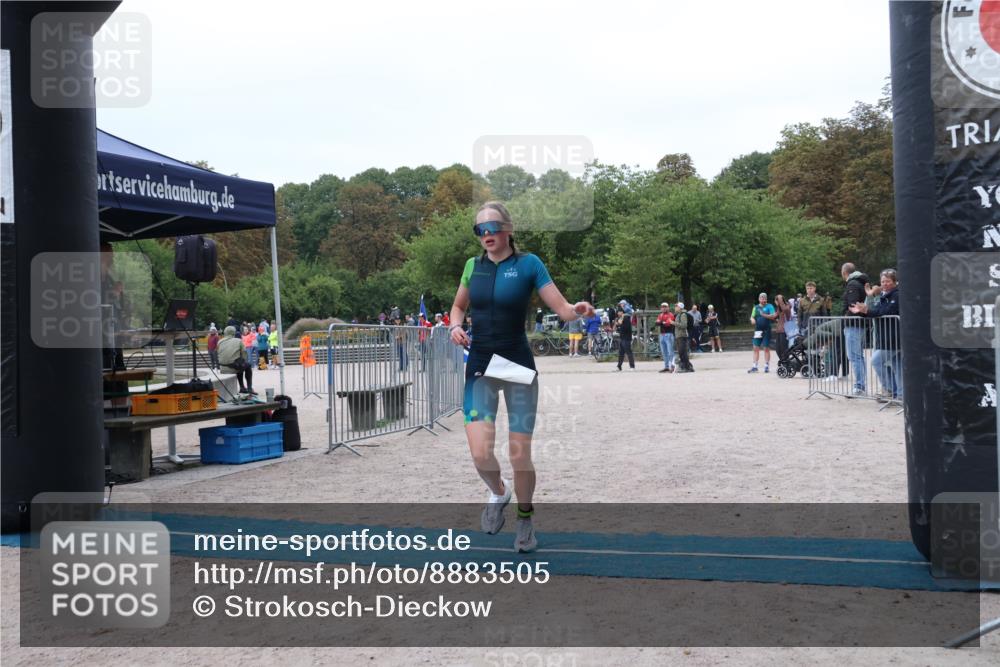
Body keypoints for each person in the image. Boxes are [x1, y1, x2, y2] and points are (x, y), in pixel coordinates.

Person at [449, 201, 593, 553]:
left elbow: (561, 308)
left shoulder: (529, 264)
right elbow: (458, 306)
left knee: (518, 455)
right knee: (480, 453)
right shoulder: (472, 267)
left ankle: (525, 520)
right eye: (479, 230)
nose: (487, 235)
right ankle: (499, 493)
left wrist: (577, 310)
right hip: (481, 365)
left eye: (493, 227)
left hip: (516, 366)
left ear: (509, 229)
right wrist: (454, 324)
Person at [850, 269, 902, 402]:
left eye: (888, 281)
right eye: (883, 281)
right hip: (887, 337)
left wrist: (866, 310)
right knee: (897, 365)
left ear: (895, 282)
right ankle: (899, 394)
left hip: (893, 337)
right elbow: (876, 310)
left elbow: (886, 311)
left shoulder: (897, 295)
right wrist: (864, 309)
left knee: (876, 360)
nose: (885, 284)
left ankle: (890, 390)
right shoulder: (885, 295)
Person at [841, 262, 871, 396]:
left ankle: (859, 386)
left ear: (844, 273)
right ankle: (860, 385)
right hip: (858, 324)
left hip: (853, 324)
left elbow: (853, 306)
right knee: (857, 356)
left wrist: (846, 315)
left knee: (854, 356)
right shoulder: (859, 282)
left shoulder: (852, 284)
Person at [218, 326, 254, 394]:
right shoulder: (238, 341)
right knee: (246, 365)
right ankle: (249, 388)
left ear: (225, 333)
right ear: (234, 333)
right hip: (233, 367)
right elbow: (244, 354)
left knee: (239, 364)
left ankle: (242, 387)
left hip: (222, 367)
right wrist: (242, 361)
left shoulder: (219, 342)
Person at [748, 292, 777, 373]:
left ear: (766, 299)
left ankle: (766, 366)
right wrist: (752, 320)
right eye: (761, 298)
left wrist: (764, 315)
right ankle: (755, 366)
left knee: (766, 348)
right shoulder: (756, 307)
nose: (763, 300)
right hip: (758, 330)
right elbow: (752, 317)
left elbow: (773, 315)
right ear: (759, 299)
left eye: (764, 298)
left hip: (767, 330)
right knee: (755, 347)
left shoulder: (769, 306)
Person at [656, 302, 676, 372]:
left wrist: (661, 322)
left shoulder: (671, 315)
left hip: (669, 334)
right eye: (662, 307)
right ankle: (666, 366)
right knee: (664, 352)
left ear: (668, 308)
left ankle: (672, 366)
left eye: (665, 307)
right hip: (662, 334)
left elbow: (668, 324)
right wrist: (662, 322)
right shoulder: (660, 314)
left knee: (670, 351)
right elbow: (657, 323)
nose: (664, 308)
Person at [673, 303, 693, 372]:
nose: (675, 307)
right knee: (681, 352)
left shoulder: (683, 314)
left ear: (680, 307)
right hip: (678, 335)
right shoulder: (678, 315)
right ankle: (688, 367)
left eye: (676, 306)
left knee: (682, 352)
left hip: (682, 335)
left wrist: (673, 323)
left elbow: (684, 325)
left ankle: (687, 367)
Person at [774, 295, 792, 359]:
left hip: (785, 331)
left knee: (784, 348)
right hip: (779, 330)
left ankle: (786, 362)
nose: (775, 303)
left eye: (776, 301)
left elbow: (785, 309)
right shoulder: (779, 308)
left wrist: (779, 297)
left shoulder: (787, 306)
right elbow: (774, 316)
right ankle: (783, 361)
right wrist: (763, 314)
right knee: (778, 349)